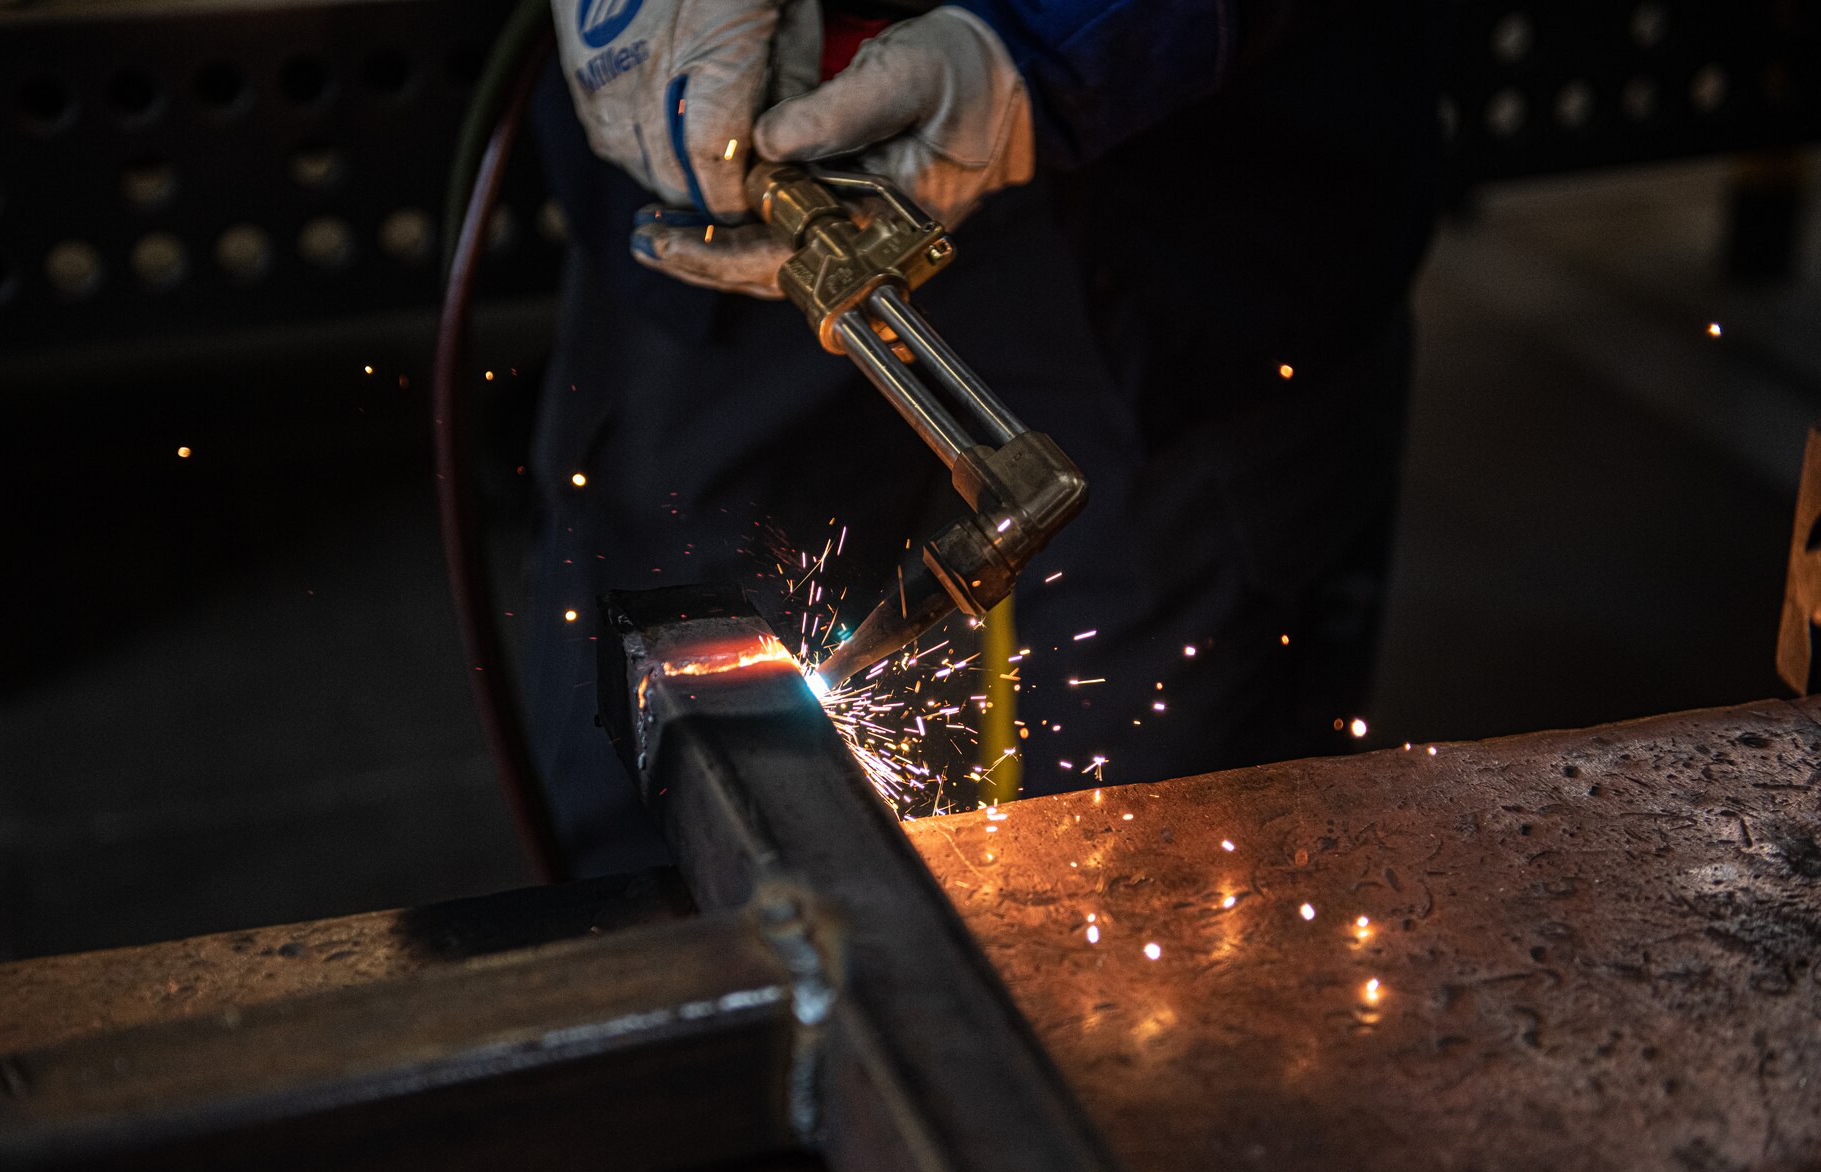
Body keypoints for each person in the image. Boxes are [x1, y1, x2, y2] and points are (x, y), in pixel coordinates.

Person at [524, 0, 1450, 873]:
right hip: (722, 178)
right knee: (673, 759)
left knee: (1178, 848)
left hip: (1199, 183)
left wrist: (1064, 38)